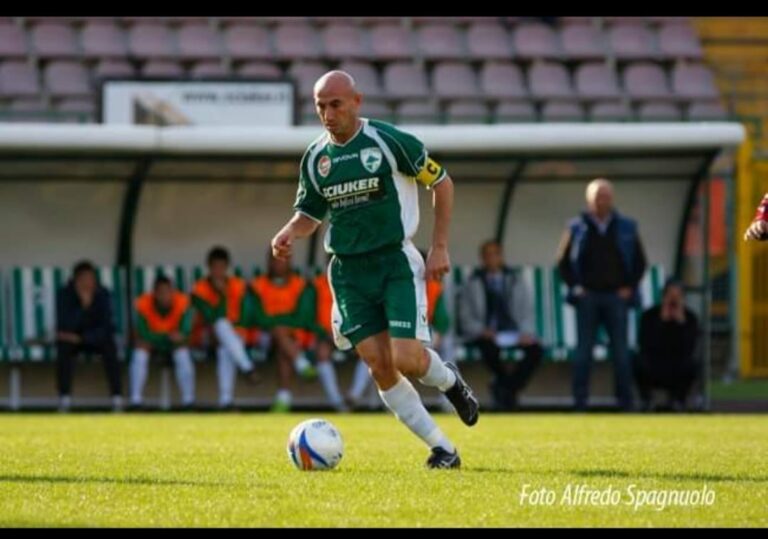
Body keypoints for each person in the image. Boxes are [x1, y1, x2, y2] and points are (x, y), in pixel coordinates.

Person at [270, 70, 478, 469]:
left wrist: (438, 247)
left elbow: (443, 182)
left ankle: (449, 380)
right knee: (379, 366)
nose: (328, 114)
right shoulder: (316, 157)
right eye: (320, 106)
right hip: (348, 273)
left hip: (394, 262)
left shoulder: (388, 140)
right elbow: (310, 215)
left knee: (406, 359)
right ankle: (443, 450)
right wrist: (288, 232)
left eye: (336, 104)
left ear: (356, 102)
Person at [556, 178, 647, 411]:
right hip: (588, 297)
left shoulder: (626, 226)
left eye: (605, 196)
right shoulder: (576, 227)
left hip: (616, 297)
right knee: (584, 352)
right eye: (597, 196)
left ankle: (625, 402)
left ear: (612, 198)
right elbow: (562, 262)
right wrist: (576, 287)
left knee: (621, 352)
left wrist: (629, 287)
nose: (602, 201)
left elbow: (640, 261)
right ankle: (580, 402)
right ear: (589, 199)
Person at [346, 248, 454, 412]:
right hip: (397, 334)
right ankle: (356, 396)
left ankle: (450, 397)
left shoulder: (433, 286)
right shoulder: (394, 283)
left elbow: (443, 321)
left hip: (426, 333)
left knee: (448, 345)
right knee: (374, 350)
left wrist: (437, 334)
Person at [248, 250, 345, 412]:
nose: (279, 263)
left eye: (283, 259)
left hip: (294, 338)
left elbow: (303, 318)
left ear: (290, 261)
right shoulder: (257, 285)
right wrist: (282, 322)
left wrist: (282, 323)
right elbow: (257, 318)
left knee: (283, 347)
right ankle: (301, 364)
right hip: (261, 338)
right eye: (275, 260)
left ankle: (284, 398)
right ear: (268, 262)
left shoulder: (301, 285)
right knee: (280, 333)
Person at [458, 240, 542, 410]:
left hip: (513, 332)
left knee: (536, 350)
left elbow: (527, 310)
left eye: (496, 254)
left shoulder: (515, 279)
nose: (492, 258)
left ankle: (505, 388)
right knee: (489, 349)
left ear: (501, 256)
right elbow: (465, 316)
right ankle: (508, 391)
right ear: (482, 259)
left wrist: (525, 333)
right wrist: (482, 331)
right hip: (485, 334)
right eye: (488, 255)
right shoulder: (473, 282)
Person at [190, 246, 258, 409]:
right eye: (215, 267)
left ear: (227, 267)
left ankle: (226, 400)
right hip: (205, 335)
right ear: (209, 267)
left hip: (234, 336)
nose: (218, 271)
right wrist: (221, 294)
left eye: (222, 267)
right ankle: (247, 367)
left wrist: (237, 329)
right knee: (220, 325)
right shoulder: (199, 289)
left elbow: (246, 314)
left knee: (225, 347)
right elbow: (210, 316)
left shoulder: (238, 284)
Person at [55, 260, 122, 412]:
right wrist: (83, 306)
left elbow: (107, 326)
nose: (88, 283)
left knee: (110, 347)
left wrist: (84, 338)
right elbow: (65, 325)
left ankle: (117, 397)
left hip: (95, 339)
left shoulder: (102, 294)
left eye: (91, 279)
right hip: (72, 340)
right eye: (84, 279)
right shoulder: (65, 295)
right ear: (76, 280)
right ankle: (64, 398)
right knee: (64, 348)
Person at [129, 274, 195, 409]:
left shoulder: (182, 302)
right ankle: (136, 400)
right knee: (139, 353)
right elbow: (142, 333)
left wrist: (171, 338)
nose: (164, 296)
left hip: (173, 345)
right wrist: (165, 337)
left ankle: (188, 401)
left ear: (173, 292)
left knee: (183, 353)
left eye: (168, 292)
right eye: (160, 293)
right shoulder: (144, 303)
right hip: (152, 345)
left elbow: (184, 333)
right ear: (154, 293)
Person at [635, 279, 700, 412]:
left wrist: (681, 323)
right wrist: (661, 322)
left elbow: (690, 347)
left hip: (677, 366)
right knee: (637, 361)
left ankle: (678, 401)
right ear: (664, 297)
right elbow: (644, 344)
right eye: (671, 296)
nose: (673, 301)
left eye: (677, 297)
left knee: (692, 364)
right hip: (655, 365)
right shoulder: (649, 316)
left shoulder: (690, 318)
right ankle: (647, 401)